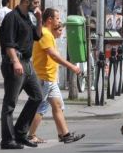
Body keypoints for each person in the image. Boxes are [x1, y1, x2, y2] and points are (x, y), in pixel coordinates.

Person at [26, 9, 84, 144]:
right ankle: (30, 135)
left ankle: (64, 135)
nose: (59, 20)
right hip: (43, 78)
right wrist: (71, 66)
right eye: (57, 18)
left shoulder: (48, 35)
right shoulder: (45, 34)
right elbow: (53, 55)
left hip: (50, 78)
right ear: (49, 20)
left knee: (57, 105)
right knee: (41, 107)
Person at [0, 0, 44, 149]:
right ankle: (8, 140)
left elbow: (37, 37)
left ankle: (20, 133)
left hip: (27, 63)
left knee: (38, 96)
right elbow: (8, 44)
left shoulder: (27, 17)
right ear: (26, 1)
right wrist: (15, 62)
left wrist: (39, 20)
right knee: (10, 103)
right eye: (36, 3)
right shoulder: (12, 18)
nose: (38, 6)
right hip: (14, 63)